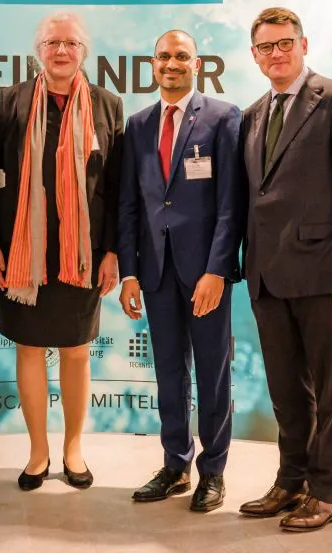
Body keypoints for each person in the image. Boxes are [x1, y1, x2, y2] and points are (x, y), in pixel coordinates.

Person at [238, 7, 332, 531]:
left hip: (325, 274)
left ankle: (326, 492)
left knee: (330, 388)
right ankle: (291, 480)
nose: (276, 53)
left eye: (285, 43)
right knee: (285, 389)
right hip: (267, 276)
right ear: (253, 55)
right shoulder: (253, 113)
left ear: (304, 44)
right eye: (265, 46)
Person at [0, 12, 123, 491]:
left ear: (85, 50)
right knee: (29, 348)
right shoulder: (12, 101)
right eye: (51, 42)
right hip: (26, 253)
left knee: (77, 351)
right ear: (36, 50)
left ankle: (73, 449)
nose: (61, 51)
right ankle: (38, 452)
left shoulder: (107, 104)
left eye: (71, 43)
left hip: (82, 254)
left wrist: (112, 252)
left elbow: (117, 188)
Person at [117, 30, 244, 513]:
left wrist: (218, 270)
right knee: (169, 371)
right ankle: (175, 464)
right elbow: (129, 205)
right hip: (156, 271)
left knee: (212, 373)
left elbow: (232, 204)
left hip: (205, 273)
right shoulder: (139, 124)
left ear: (197, 63)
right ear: (153, 63)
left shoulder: (222, 117)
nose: (172, 63)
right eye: (164, 56)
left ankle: (213, 472)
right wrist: (129, 273)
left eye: (181, 56)